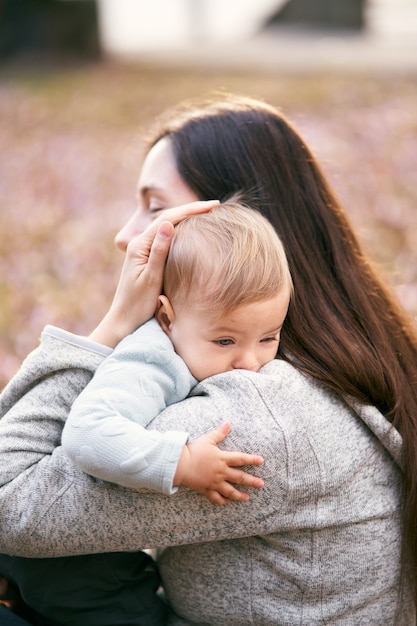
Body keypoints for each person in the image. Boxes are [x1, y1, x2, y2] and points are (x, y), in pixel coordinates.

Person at [0, 94, 417, 625]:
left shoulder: (260, 412)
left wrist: (110, 328)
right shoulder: (310, 371)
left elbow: (6, 500)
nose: (126, 235)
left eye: (155, 209)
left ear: (236, 233)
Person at [0, 202, 291, 626]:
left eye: (268, 338)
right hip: (78, 571)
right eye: (226, 341)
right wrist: (181, 462)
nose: (250, 361)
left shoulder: (195, 344)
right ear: (166, 317)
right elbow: (88, 433)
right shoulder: (149, 362)